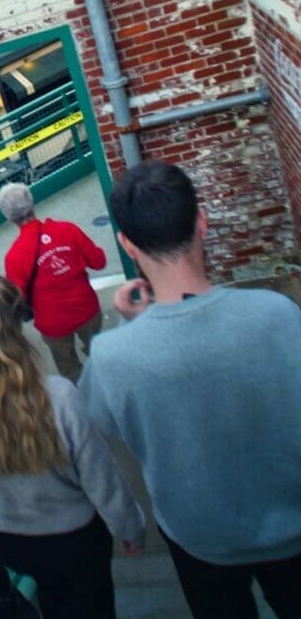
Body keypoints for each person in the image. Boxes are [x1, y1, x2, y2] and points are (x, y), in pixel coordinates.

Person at [78, 160, 301, 619]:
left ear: (128, 245)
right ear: (202, 220)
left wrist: (130, 325)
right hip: (292, 527)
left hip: (198, 539)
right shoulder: (279, 314)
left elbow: (99, 418)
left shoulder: (112, 355)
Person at [0, 270, 145, 619]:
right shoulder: (59, 396)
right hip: (75, 541)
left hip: (7, 540)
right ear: (19, 325)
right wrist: (130, 529)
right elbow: (101, 479)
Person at [0, 182, 107, 381]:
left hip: (53, 324)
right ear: (32, 203)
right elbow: (99, 262)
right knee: (100, 357)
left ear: (8, 217)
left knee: (70, 371)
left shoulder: (14, 257)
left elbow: (17, 299)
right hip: (87, 309)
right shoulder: (68, 230)